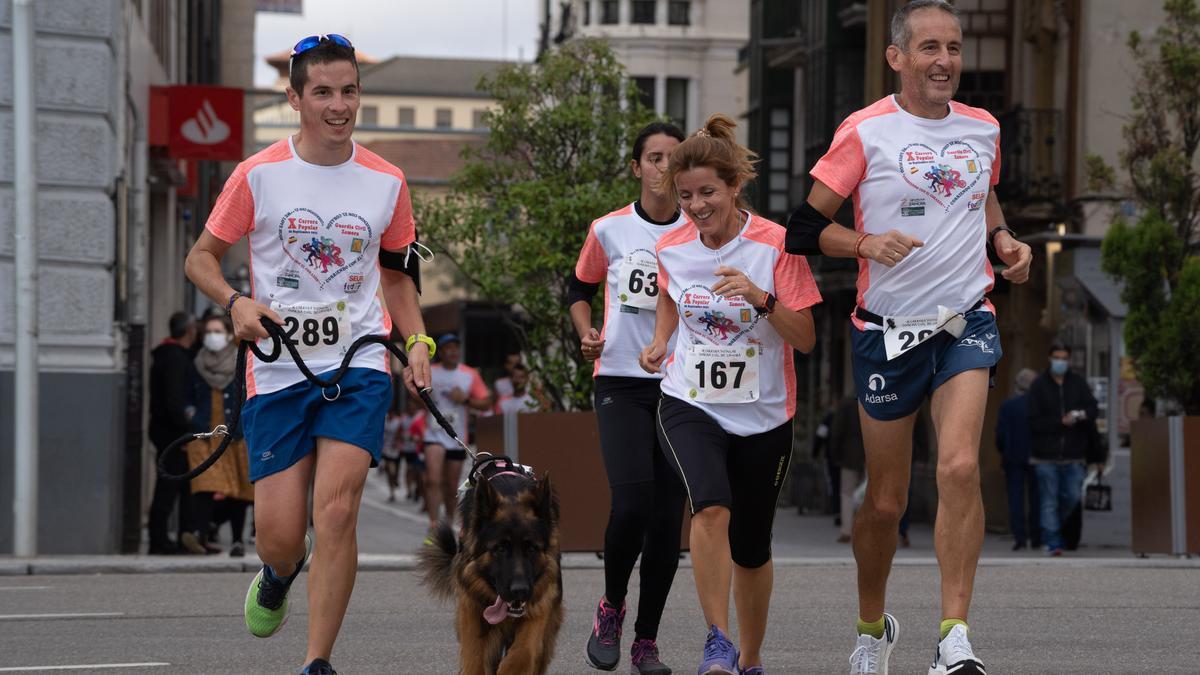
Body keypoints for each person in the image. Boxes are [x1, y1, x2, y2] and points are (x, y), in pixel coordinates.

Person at [782, 2, 1033, 672]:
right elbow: (803, 230)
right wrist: (864, 241)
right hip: (886, 335)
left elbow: (983, 196)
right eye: (929, 48)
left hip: (962, 320)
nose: (945, 61)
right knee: (885, 502)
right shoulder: (865, 131)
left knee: (957, 466)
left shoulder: (983, 128)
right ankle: (872, 627)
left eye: (953, 48)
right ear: (897, 56)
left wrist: (1002, 239)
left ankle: (954, 635)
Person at [182, 33, 432, 675]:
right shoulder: (257, 174)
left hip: (359, 367)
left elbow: (398, 278)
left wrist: (418, 342)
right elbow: (199, 258)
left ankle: (317, 661)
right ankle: (277, 573)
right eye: (322, 92)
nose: (338, 104)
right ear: (294, 98)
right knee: (283, 535)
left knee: (339, 510)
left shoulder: (388, 182)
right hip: (277, 368)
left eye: (349, 90)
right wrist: (236, 302)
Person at [640, 113, 821, 675]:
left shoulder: (776, 246)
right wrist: (661, 340)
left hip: (765, 417)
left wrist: (761, 298)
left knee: (752, 546)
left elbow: (808, 339)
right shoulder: (671, 247)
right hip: (690, 402)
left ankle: (750, 655)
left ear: (735, 187)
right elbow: (671, 294)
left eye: (708, 193)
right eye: (686, 195)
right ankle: (716, 639)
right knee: (710, 507)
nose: (695, 206)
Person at [570, 121, 690, 675]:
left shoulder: (699, 230)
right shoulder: (610, 229)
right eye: (654, 157)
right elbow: (579, 289)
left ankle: (646, 639)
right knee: (634, 501)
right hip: (619, 378)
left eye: (673, 158)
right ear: (637, 166)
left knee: (669, 519)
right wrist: (585, 329)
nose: (663, 167)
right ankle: (612, 607)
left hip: (681, 385)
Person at [188, 314, 255, 557]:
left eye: (217, 331)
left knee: (238, 488)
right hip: (205, 431)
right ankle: (201, 534)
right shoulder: (197, 362)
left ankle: (236, 539)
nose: (212, 336)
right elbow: (189, 394)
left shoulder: (242, 360)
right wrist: (190, 413)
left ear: (228, 334)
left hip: (234, 433)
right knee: (205, 484)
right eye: (208, 332)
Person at [1027, 343, 1099, 557]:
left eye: (1064, 358)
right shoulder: (1039, 385)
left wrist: (1079, 416)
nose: (1061, 361)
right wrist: (1059, 422)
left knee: (1074, 497)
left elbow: (1093, 408)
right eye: (1057, 357)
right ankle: (1052, 541)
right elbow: (1033, 421)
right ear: (1050, 359)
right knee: (1049, 499)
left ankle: (1054, 527)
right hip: (1045, 455)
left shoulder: (1078, 384)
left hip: (1074, 454)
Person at [422, 333, 490, 531]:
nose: (453, 351)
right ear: (440, 352)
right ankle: (433, 525)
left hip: (456, 437)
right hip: (433, 434)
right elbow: (413, 399)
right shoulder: (430, 371)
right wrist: (424, 396)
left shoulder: (469, 374)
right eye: (448, 348)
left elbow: (486, 402)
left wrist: (466, 399)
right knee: (433, 480)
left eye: (455, 347)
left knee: (452, 486)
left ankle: (449, 522)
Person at [147, 311, 200, 556]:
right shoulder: (175, 359)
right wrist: (185, 433)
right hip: (172, 433)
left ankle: (175, 537)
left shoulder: (168, 356)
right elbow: (175, 400)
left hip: (165, 430)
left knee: (174, 486)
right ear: (190, 330)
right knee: (168, 488)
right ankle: (159, 540)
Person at [995, 367, 1040, 551]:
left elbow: (1000, 435)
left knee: (1016, 498)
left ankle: (1019, 537)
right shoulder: (1039, 406)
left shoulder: (1008, 406)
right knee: (1037, 498)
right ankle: (1036, 537)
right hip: (1037, 456)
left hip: (1013, 457)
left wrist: (1004, 452)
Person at [830, 394, 866, 544]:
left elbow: (837, 430)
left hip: (849, 453)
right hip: (872, 452)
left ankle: (847, 530)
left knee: (847, 493)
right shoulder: (874, 398)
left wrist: (835, 454)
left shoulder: (846, 403)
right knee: (869, 492)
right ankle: (865, 529)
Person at [399, 396, 426, 504]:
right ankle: (410, 489)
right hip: (408, 448)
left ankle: (418, 491)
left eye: (413, 406)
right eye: (409, 406)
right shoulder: (405, 418)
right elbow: (401, 432)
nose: (411, 408)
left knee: (419, 473)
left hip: (419, 450)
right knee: (410, 470)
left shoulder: (421, 416)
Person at [380, 409, 404, 502]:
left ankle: (395, 480)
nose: (389, 415)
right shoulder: (384, 420)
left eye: (391, 414)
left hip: (395, 450)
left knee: (393, 471)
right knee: (389, 470)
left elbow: (401, 434)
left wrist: (397, 442)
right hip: (385, 449)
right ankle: (392, 492)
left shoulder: (397, 422)